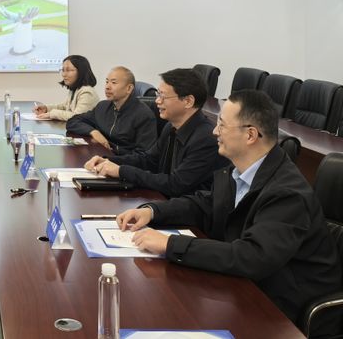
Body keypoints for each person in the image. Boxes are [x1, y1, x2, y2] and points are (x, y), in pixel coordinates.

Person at [116, 90, 341, 335]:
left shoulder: (287, 193)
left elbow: (252, 256)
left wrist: (170, 244)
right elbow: (203, 205)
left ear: (250, 135)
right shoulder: (237, 172)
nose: (215, 131)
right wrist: (153, 211)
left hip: (282, 310)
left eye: (222, 125)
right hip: (245, 287)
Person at [85, 68, 226, 197]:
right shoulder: (170, 126)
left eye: (163, 96)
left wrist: (122, 171)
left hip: (188, 210)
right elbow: (149, 160)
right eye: (158, 94)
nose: (157, 101)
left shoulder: (206, 138)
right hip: (165, 201)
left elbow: (176, 185)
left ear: (188, 101)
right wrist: (108, 161)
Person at [66, 66, 156, 155]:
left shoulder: (143, 115)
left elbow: (143, 156)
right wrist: (93, 132)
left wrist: (110, 160)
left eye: (113, 83)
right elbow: (73, 121)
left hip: (121, 161)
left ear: (129, 88)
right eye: (107, 82)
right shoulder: (103, 106)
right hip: (101, 155)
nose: (107, 87)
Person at [32, 54, 99, 121]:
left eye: (68, 70)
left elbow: (77, 117)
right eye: (63, 70)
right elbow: (65, 107)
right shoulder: (75, 89)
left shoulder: (87, 92)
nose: (63, 74)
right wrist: (46, 108)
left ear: (81, 72)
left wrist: (52, 114)